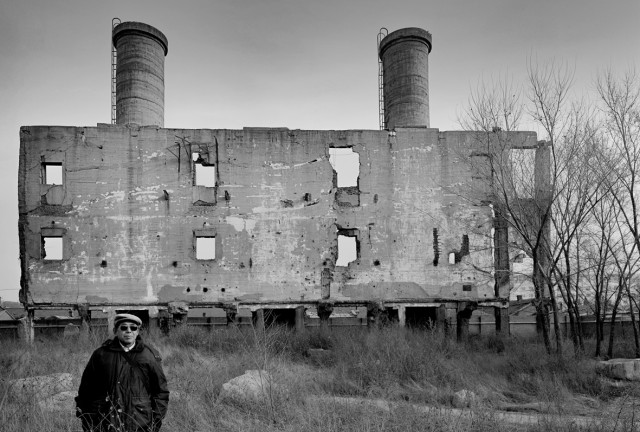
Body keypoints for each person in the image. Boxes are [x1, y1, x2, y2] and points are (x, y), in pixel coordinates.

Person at [75, 314, 169, 431]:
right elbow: (86, 389)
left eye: (133, 328)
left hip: (140, 423)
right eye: (124, 328)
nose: (129, 331)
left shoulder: (149, 355)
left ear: (138, 331)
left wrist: (155, 421)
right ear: (115, 331)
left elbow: (161, 391)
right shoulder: (101, 354)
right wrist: (87, 419)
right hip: (105, 422)